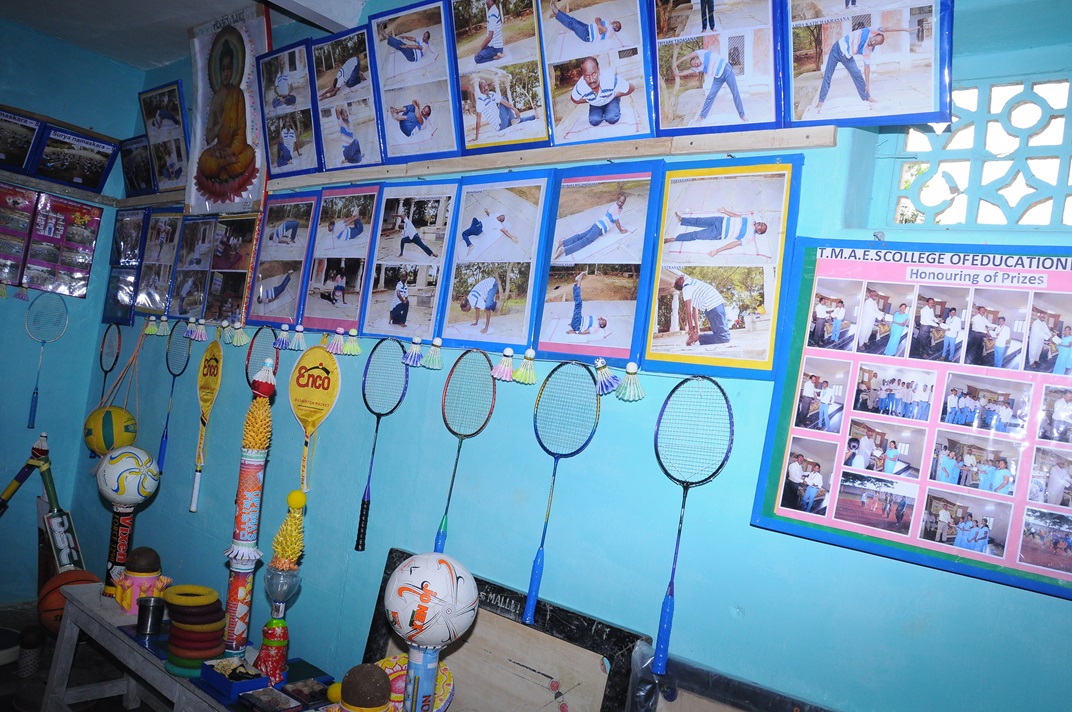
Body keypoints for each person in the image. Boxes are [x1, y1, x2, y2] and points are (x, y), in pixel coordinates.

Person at [195, 41, 257, 203]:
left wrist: (231, 151)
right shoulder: (216, 98)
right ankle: (224, 164)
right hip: (220, 151)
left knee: (249, 153)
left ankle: (223, 165)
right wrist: (219, 125)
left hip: (234, 151)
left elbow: (241, 131)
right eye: (223, 69)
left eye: (229, 68)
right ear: (218, 71)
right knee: (204, 161)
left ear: (234, 69)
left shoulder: (238, 94)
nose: (226, 73)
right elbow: (209, 137)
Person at [815, 26, 911, 114]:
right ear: (874, 35)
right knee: (828, 75)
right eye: (874, 40)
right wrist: (905, 29)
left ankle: (867, 97)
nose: (873, 42)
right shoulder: (869, 31)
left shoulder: (868, 50)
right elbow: (885, 28)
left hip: (847, 57)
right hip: (836, 49)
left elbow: (867, 68)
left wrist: (867, 85)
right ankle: (820, 101)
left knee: (857, 73)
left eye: (876, 43)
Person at [673, 49, 746, 123]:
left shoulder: (702, 53)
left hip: (726, 70)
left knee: (735, 93)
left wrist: (677, 63)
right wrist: (677, 74)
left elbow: (688, 55)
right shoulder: (699, 67)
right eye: (694, 65)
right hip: (718, 78)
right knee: (710, 96)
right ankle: (702, 117)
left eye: (695, 62)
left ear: (696, 57)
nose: (696, 64)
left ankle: (742, 116)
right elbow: (687, 72)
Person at [551, 192, 628, 259]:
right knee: (586, 241)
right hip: (599, 228)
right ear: (617, 199)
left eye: (622, 202)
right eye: (620, 201)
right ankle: (563, 250)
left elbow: (609, 213)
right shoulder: (615, 208)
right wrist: (621, 230)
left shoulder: (617, 207)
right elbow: (617, 222)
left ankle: (562, 242)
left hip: (597, 224)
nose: (621, 203)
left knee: (581, 236)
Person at [664, 209, 767, 255]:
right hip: (720, 220)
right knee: (699, 221)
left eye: (761, 226)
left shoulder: (750, 238)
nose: (760, 223)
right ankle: (682, 220)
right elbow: (737, 216)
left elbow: (734, 244)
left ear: (759, 232)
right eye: (762, 223)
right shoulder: (750, 219)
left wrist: (718, 250)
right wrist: (725, 211)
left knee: (696, 235)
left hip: (718, 232)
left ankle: (674, 239)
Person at [570, 56, 634, 127]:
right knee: (594, 121)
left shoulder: (610, 78)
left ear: (599, 71)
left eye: (594, 74)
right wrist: (591, 100)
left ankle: (610, 107)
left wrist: (613, 95)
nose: (591, 80)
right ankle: (601, 109)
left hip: (611, 100)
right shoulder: (580, 86)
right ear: (583, 76)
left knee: (612, 118)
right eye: (587, 76)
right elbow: (574, 99)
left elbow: (631, 88)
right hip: (595, 104)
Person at [674, 274, 730, 346]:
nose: (681, 276)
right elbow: (689, 311)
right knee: (724, 336)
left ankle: (698, 337)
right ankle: (697, 337)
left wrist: (696, 331)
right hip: (716, 305)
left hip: (715, 305)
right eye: (679, 278)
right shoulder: (687, 287)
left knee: (723, 337)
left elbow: (693, 311)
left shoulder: (690, 283)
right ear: (680, 282)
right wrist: (692, 330)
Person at [548, 0, 621, 44]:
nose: (615, 23)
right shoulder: (608, 22)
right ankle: (557, 13)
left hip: (587, 35)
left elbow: (601, 27)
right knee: (573, 21)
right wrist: (599, 26)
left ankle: (556, 12)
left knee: (572, 23)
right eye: (616, 21)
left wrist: (600, 25)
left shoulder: (612, 33)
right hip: (587, 27)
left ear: (617, 29)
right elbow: (597, 19)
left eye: (617, 24)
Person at [564, 272, 610, 339]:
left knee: (578, 304)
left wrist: (575, 332)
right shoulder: (595, 319)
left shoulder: (596, 328)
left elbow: (586, 332)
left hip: (578, 325)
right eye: (603, 319)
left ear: (602, 325)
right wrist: (573, 323)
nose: (602, 320)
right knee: (578, 304)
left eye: (603, 321)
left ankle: (579, 281)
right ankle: (578, 282)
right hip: (577, 321)